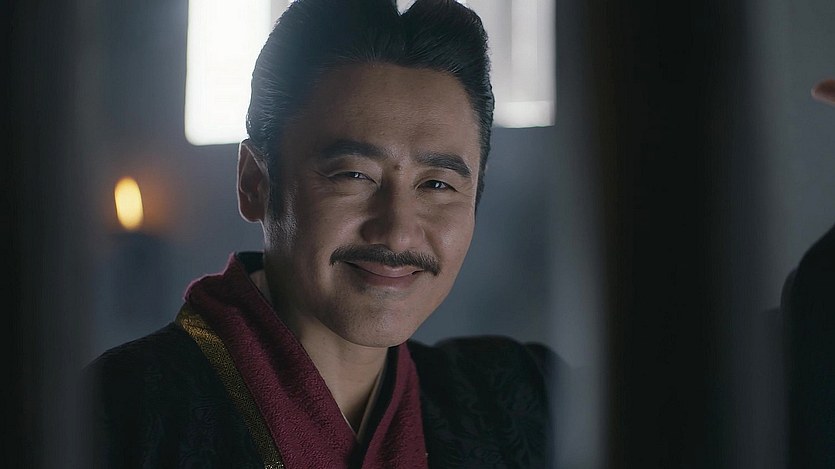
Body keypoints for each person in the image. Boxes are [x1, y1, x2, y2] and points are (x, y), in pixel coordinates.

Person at [84, 0, 560, 467]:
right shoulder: (114, 414)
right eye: (353, 175)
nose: (397, 234)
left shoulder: (522, 402)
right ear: (255, 183)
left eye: (437, 184)